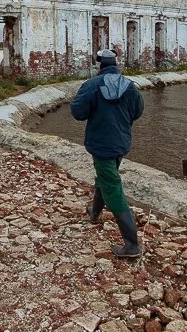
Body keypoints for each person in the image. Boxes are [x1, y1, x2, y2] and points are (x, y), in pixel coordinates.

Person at [70, 48, 145, 258]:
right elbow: (138, 111)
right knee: (104, 177)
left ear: (99, 65)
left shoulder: (92, 85)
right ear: (116, 64)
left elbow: (78, 113)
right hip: (121, 143)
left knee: (112, 186)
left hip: (101, 145)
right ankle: (94, 213)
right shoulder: (129, 86)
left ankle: (131, 245)